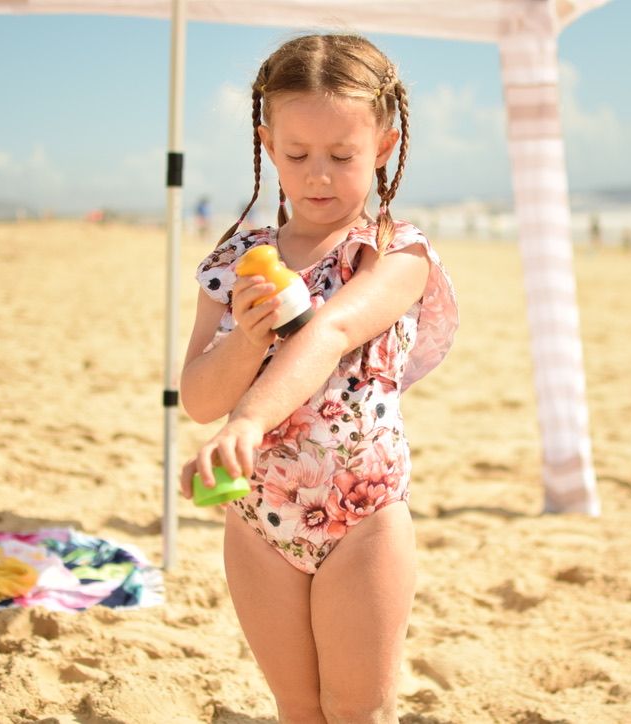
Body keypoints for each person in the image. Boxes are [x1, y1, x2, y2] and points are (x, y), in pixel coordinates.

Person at [179, 34, 458, 723]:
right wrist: (246, 341)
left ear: (385, 145)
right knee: (299, 709)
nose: (319, 177)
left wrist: (248, 421)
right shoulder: (236, 262)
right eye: (298, 156)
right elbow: (198, 397)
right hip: (257, 521)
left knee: (357, 710)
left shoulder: (394, 254)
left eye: (343, 156)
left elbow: (330, 332)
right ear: (268, 144)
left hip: (362, 520)